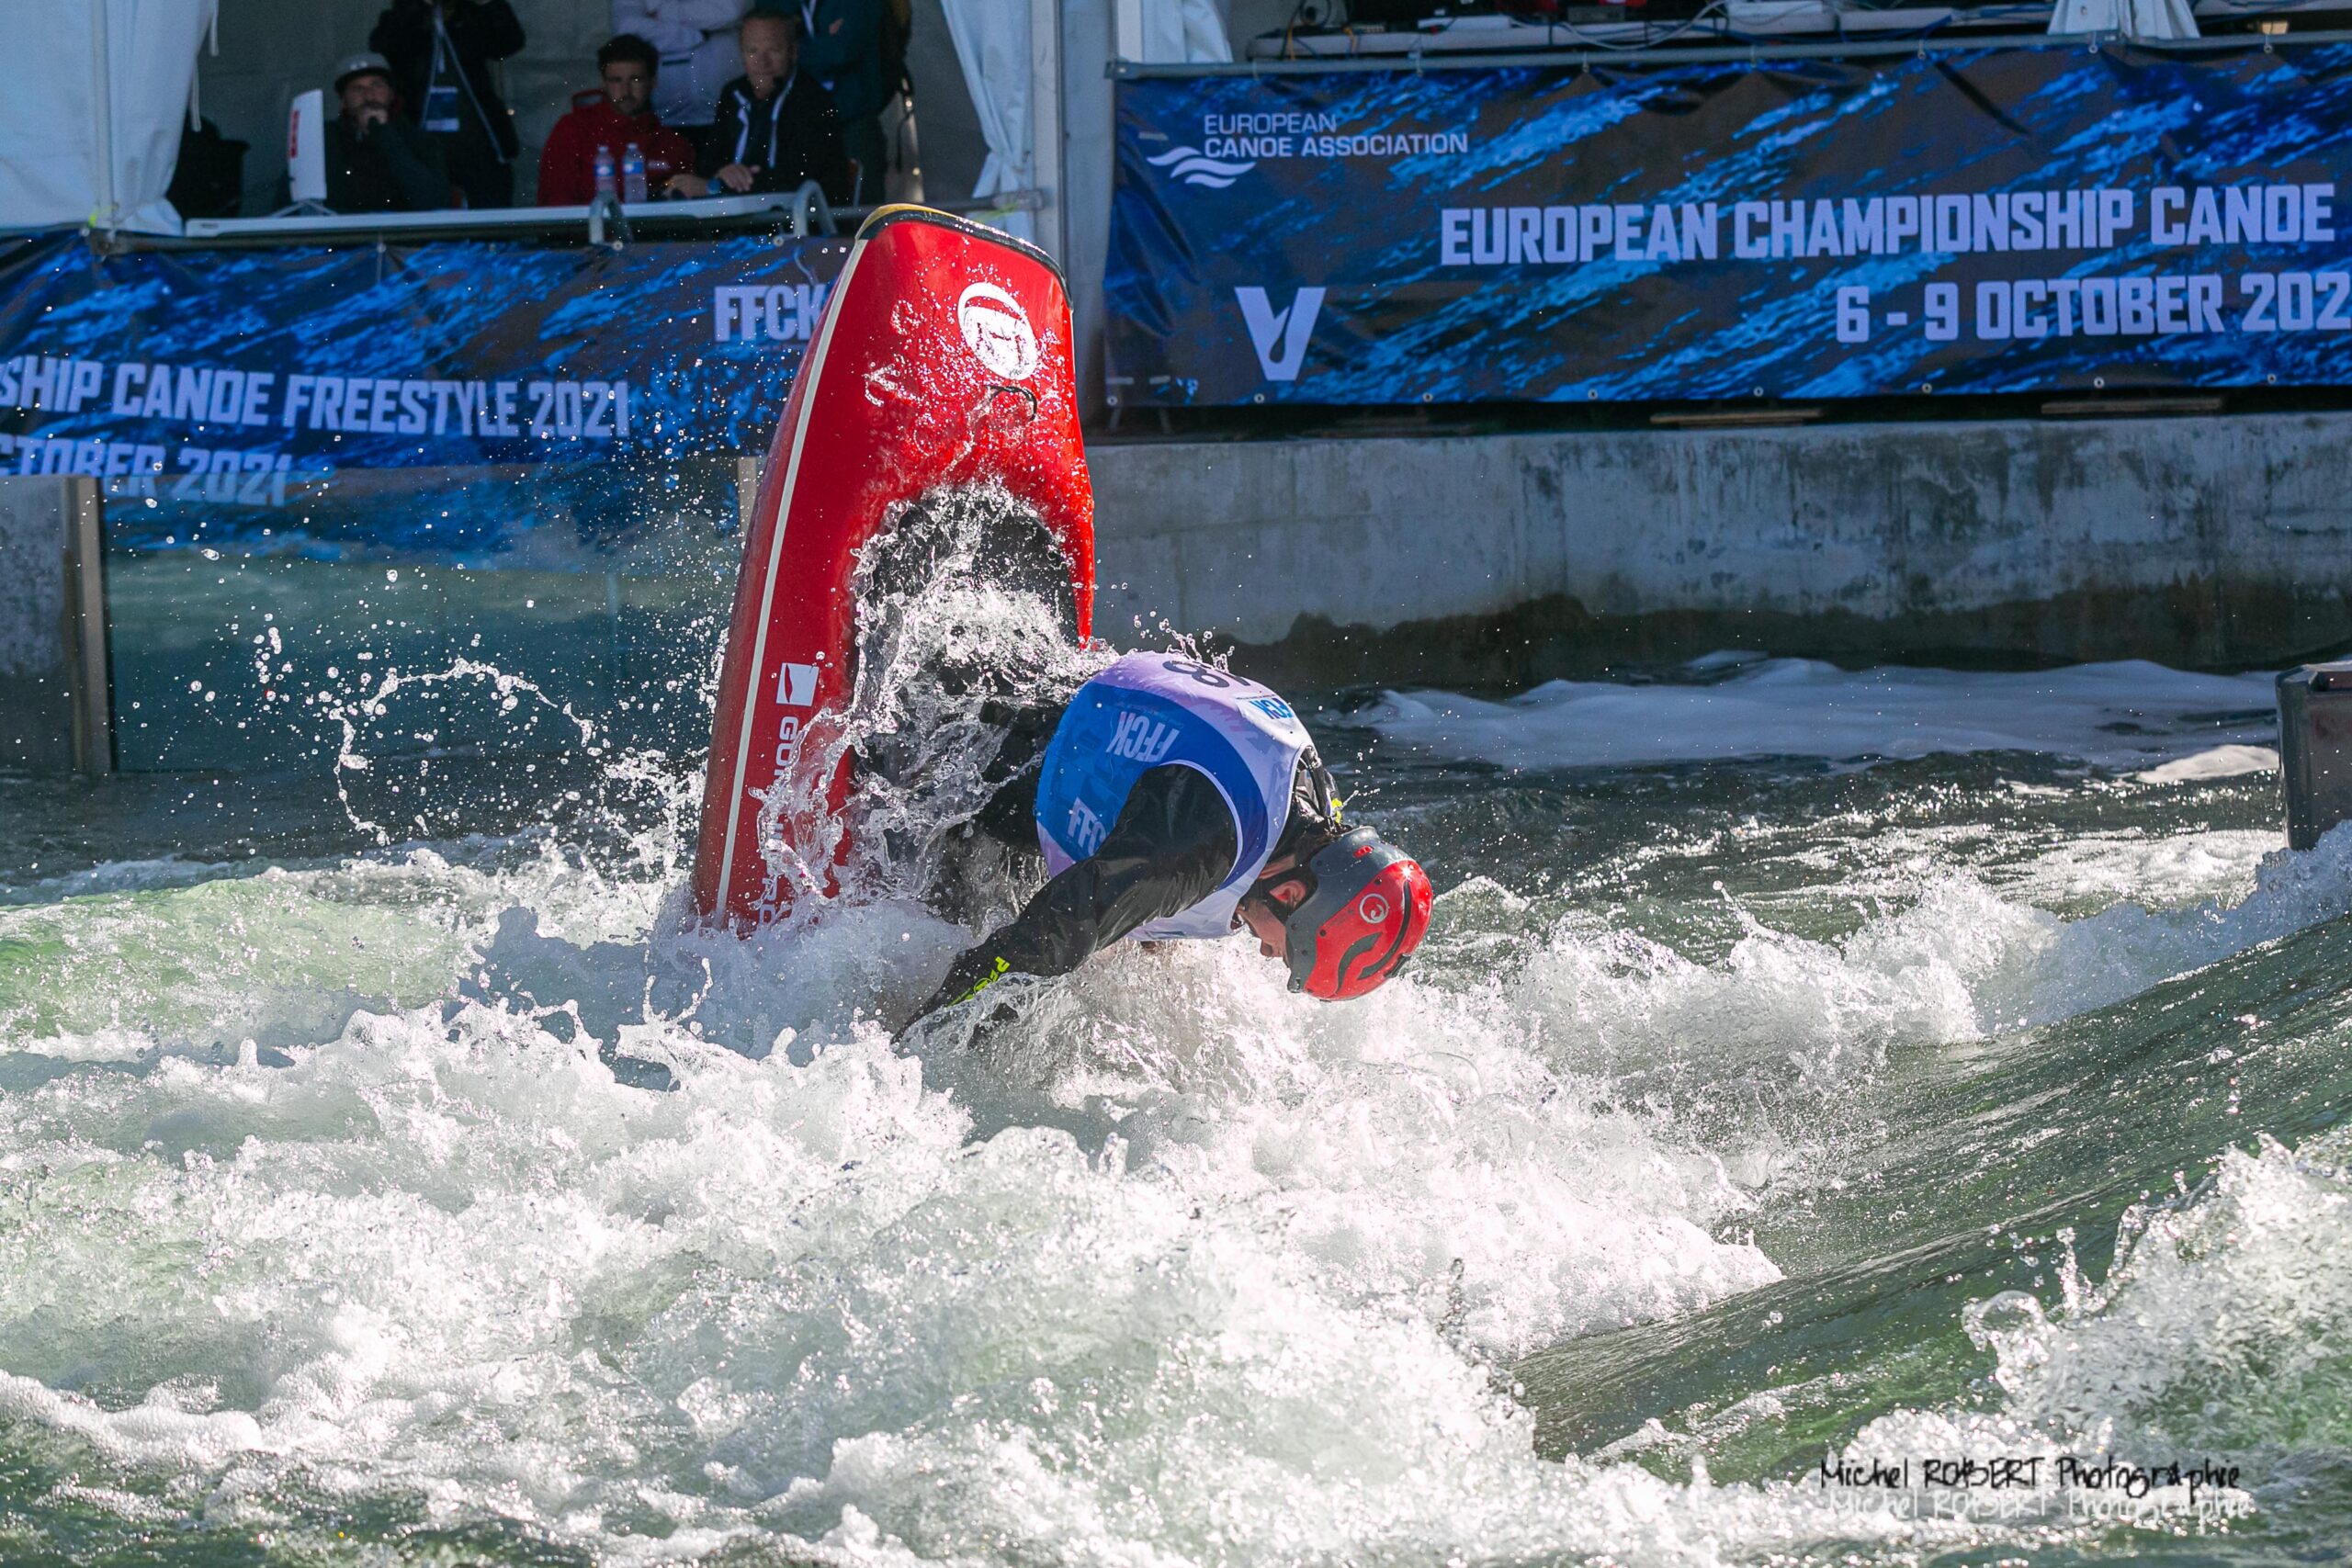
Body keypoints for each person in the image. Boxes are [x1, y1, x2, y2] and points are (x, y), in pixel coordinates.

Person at [911, 651, 1434, 1021]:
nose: (1269, 958)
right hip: (980, 753)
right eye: (1292, 953)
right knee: (1005, 942)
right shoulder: (1199, 847)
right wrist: (921, 1044)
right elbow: (1048, 938)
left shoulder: (1314, 806)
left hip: (1052, 676)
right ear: (1292, 895)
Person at [665, 9, 850, 203]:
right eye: (752, 51)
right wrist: (725, 173)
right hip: (739, 219)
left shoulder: (812, 100)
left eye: (773, 51)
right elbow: (709, 164)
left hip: (798, 224)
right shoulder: (733, 93)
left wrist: (719, 186)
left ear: (793, 52)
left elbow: (797, 179)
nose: (762, 62)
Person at [369, 0, 526, 209]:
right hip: (423, 148)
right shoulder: (400, 19)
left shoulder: (470, 17)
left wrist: (485, 4)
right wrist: (420, 9)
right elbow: (384, 49)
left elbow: (510, 42)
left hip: (478, 146)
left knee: (489, 219)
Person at [537, 34, 696, 207]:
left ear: (653, 82)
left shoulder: (674, 145)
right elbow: (556, 206)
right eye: (616, 80)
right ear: (603, 83)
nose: (626, 91)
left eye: (636, 79)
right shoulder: (572, 130)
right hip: (590, 232)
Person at [609, 0, 749, 153]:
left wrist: (665, 13)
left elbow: (731, 11)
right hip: (666, 115)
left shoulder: (662, 11)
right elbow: (627, 27)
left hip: (727, 114)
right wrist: (697, 35)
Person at [318, 52, 448, 215]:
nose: (369, 95)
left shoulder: (418, 139)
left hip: (406, 236)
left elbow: (434, 201)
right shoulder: (325, 139)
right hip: (348, 235)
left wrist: (385, 135)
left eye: (377, 85)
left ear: (391, 94)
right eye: (357, 89)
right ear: (343, 100)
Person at [797, 0, 888, 201]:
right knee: (813, 211)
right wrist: (823, 43)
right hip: (805, 126)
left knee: (864, 217)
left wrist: (794, 49)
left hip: (854, 122)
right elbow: (769, 42)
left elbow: (840, 51)